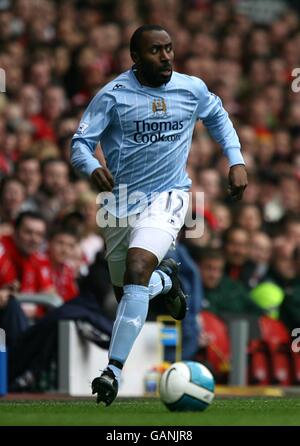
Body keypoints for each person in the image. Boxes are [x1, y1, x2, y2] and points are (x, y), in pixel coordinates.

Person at [70, 24, 247, 406]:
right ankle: (165, 283)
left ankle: (111, 372)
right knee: (129, 293)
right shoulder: (113, 96)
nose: (166, 56)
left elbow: (217, 116)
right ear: (135, 57)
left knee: (137, 267)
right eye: (155, 51)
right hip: (119, 204)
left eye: (169, 49)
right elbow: (80, 144)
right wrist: (91, 166)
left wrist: (236, 160)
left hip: (168, 197)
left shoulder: (192, 88)